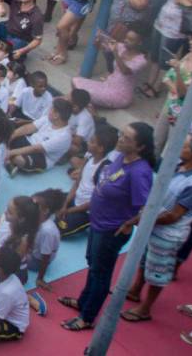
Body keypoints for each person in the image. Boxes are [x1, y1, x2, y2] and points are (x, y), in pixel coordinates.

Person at [60, 122, 155, 331]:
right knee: (92, 263)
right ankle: (83, 301)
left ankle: (87, 317)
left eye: (127, 138)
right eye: (122, 134)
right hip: (97, 222)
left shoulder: (139, 172)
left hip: (111, 230)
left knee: (101, 273)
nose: (120, 139)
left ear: (140, 147)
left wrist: (129, 223)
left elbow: (146, 206)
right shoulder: (120, 157)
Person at [122, 131, 192, 322]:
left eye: (185, 146)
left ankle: (145, 309)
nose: (179, 147)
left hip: (168, 235)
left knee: (158, 272)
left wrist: (142, 219)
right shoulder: (181, 166)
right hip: (156, 226)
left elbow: (174, 216)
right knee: (145, 260)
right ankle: (135, 290)